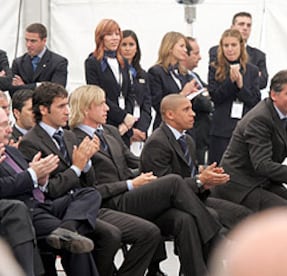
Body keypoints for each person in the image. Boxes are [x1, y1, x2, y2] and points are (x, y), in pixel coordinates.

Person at [69, 84, 223, 276]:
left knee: (185, 219)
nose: (108, 108)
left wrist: (147, 178)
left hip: (132, 195)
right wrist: (130, 184)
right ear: (85, 108)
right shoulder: (73, 139)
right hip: (109, 203)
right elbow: (90, 188)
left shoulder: (109, 131)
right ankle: (214, 236)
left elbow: (134, 162)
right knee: (173, 181)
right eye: (101, 104)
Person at [18, 82, 161, 276]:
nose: (67, 111)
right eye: (61, 106)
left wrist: (85, 164)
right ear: (44, 109)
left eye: (67, 105)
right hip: (59, 209)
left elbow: (89, 183)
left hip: (86, 204)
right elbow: (49, 190)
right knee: (110, 235)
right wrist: (77, 167)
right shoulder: (31, 142)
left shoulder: (68, 136)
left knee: (149, 232)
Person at [0, 106, 102, 276]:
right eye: (3, 126)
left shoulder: (11, 151)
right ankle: (68, 233)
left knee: (89, 194)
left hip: (44, 204)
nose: (9, 129)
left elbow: (34, 182)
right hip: (23, 214)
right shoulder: (24, 143)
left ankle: (67, 229)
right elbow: (5, 187)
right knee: (77, 244)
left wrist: (41, 180)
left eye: (8, 123)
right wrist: (32, 174)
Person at [211, 70, 287, 213]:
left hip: (264, 181)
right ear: (273, 95)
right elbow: (262, 165)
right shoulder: (259, 119)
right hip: (242, 187)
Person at [141, 94, 252, 229]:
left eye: (192, 109)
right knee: (216, 219)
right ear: (170, 115)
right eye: (186, 110)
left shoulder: (187, 140)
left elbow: (189, 175)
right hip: (169, 205)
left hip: (190, 197)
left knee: (243, 214)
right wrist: (200, 180)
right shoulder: (157, 142)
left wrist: (206, 180)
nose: (193, 114)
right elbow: (163, 188)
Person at [208, 29, 261, 164]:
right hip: (221, 130)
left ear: (241, 46)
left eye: (233, 45)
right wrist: (230, 83)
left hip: (244, 129)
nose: (230, 49)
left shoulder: (252, 70)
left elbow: (254, 101)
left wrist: (241, 86)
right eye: (226, 46)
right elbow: (215, 97)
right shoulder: (215, 68)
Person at [85, 19, 136, 146]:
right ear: (101, 38)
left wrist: (127, 120)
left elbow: (129, 92)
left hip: (125, 125)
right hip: (107, 121)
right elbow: (98, 95)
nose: (115, 38)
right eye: (109, 34)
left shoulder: (122, 61)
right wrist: (122, 117)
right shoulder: (93, 62)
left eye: (117, 34)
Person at [148, 31, 199, 129]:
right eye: (181, 46)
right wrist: (182, 94)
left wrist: (193, 94)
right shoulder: (156, 72)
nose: (185, 50)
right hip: (166, 128)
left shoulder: (184, 73)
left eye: (186, 47)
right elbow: (159, 105)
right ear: (170, 47)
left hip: (186, 128)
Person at [209, 11, 268, 89]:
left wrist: (241, 79)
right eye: (241, 24)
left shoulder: (258, 55)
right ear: (232, 27)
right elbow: (217, 78)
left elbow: (263, 82)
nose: (245, 28)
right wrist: (251, 77)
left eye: (248, 25)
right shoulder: (216, 51)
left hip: (248, 98)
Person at [181, 37, 214, 165]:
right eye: (196, 53)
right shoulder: (184, 78)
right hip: (194, 133)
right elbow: (204, 102)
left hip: (204, 135)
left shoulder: (194, 76)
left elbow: (210, 92)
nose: (199, 57)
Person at [10, 23, 68, 95]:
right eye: (27, 40)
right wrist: (40, 85)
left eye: (33, 41)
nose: (28, 45)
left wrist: (24, 86)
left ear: (44, 41)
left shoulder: (58, 62)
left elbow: (57, 92)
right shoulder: (18, 63)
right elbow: (13, 92)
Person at [119, 30, 152, 147]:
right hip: (122, 128)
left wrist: (141, 129)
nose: (127, 48)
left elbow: (147, 105)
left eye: (131, 45)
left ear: (137, 48)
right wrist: (130, 131)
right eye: (124, 45)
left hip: (140, 130)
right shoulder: (116, 73)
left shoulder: (142, 74)